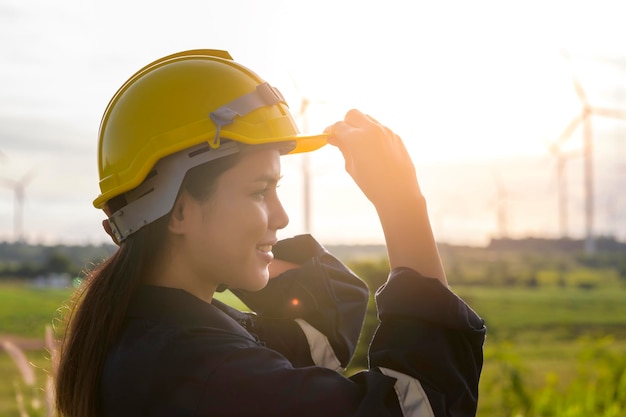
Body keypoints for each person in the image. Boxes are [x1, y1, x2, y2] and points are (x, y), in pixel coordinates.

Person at [55, 49, 486, 417]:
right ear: (178, 209)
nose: (281, 216)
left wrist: (245, 250)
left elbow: (317, 333)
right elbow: (418, 405)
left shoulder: (146, 332)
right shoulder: (206, 375)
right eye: (260, 190)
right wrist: (402, 205)